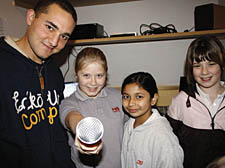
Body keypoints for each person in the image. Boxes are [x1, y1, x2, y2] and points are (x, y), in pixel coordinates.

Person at [0, 0, 77, 167]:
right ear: (31, 17)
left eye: (64, 36)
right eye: (50, 27)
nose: (55, 42)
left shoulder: (54, 70)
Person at [59, 47, 128, 168]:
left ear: (106, 74)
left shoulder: (118, 97)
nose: (93, 82)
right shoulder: (68, 103)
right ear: (76, 73)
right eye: (86, 75)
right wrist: (82, 133)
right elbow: (72, 117)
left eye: (99, 75)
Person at [166, 36, 225, 168]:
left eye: (211, 64)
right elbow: (169, 143)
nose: (204, 72)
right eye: (197, 66)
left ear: (222, 65)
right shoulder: (180, 100)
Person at [120, 71, 184, 168]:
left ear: (153, 99)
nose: (131, 103)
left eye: (139, 97)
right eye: (126, 96)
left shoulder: (163, 137)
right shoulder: (128, 124)